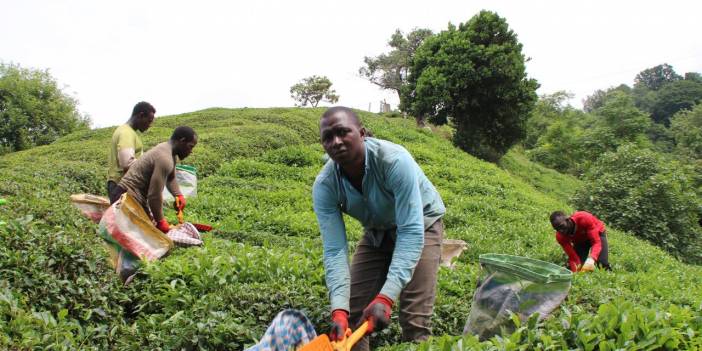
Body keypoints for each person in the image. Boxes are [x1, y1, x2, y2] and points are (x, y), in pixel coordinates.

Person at [312, 106, 446, 350]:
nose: (336, 142)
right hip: (377, 232)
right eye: (328, 138)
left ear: (362, 133)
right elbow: (334, 251)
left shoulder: (394, 160)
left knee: (414, 319)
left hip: (421, 225)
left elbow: (410, 230)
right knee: (352, 316)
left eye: (343, 132)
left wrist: (386, 297)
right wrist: (338, 310)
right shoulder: (325, 185)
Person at [113, 126, 197, 233]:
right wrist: (161, 221)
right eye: (190, 146)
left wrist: (178, 194)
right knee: (141, 237)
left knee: (145, 236)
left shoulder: (169, 152)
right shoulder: (165, 158)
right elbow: (154, 195)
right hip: (126, 197)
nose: (191, 151)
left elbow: (171, 178)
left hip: (131, 196)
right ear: (182, 141)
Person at [107, 101, 156, 204]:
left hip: (120, 185)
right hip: (122, 186)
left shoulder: (126, 131)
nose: (149, 125)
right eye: (149, 121)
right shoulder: (126, 133)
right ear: (141, 115)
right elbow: (127, 163)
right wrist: (151, 163)